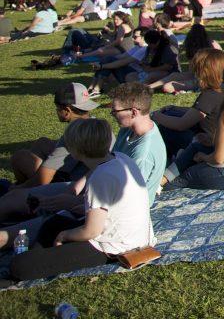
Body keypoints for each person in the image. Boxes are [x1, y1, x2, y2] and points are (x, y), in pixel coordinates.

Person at [0, 119, 155, 285]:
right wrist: (69, 204)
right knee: (54, 222)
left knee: (20, 266)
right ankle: (40, 254)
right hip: (134, 234)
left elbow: (91, 231)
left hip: (117, 246)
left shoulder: (101, 178)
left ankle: (34, 259)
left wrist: (64, 235)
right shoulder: (120, 158)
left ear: (76, 151)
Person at [154, 48, 224, 178]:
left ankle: (166, 166)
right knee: (171, 113)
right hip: (220, 139)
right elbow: (203, 113)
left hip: (210, 144)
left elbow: (180, 125)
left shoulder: (209, 95)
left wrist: (155, 116)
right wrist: (174, 109)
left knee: (166, 129)